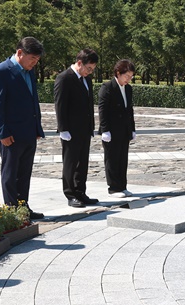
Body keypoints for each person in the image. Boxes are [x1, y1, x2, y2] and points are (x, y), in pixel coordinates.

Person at [0, 37, 45, 220]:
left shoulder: (29, 71)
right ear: (20, 53)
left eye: (37, 60)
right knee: (10, 174)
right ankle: (12, 213)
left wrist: (37, 128)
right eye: (32, 59)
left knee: (25, 173)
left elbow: (32, 100)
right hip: (11, 134)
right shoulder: (2, 71)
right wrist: (3, 132)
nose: (34, 63)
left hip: (29, 132)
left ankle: (23, 208)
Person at [54, 49, 99, 208]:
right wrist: (63, 128)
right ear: (79, 63)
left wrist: (91, 126)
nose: (90, 72)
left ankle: (81, 191)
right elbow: (60, 104)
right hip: (70, 131)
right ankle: (70, 194)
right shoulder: (64, 78)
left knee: (83, 163)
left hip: (85, 129)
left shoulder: (87, 80)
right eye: (89, 68)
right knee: (70, 163)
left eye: (92, 69)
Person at [98, 59, 136, 198]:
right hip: (111, 131)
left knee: (122, 159)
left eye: (131, 77)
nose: (128, 79)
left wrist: (132, 128)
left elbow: (129, 110)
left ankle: (122, 186)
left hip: (124, 130)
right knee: (112, 159)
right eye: (126, 76)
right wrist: (105, 129)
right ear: (118, 73)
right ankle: (113, 188)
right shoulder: (107, 87)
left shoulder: (128, 89)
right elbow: (102, 110)